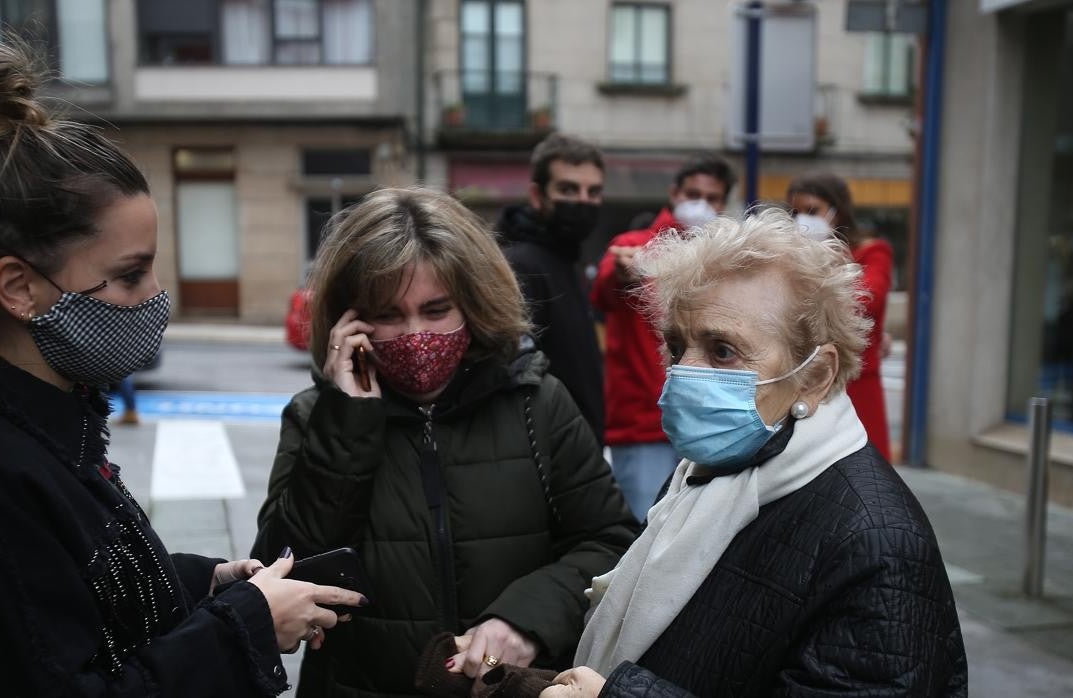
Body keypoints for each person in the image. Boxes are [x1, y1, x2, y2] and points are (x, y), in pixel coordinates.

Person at [0, 42, 363, 697]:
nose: (157, 295)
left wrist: (205, 585)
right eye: (130, 274)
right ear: (17, 287)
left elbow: (78, 600)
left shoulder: (35, 431)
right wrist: (243, 628)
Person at [545, 210, 967, 697]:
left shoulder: (876, 541)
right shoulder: (710, 469)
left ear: (813, 376)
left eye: (723, 351)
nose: (684, 373)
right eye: (677, 346)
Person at [252, 187, 638, 697]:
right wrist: (345, 424)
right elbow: (282, 570)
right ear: (349, 321)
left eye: (436, 310)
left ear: (472, 306)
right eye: (388, 314)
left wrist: (523, 620)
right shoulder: (314, 417)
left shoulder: (536, 402)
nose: (416, 334)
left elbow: (609, 542)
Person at [589, 155, 737, 521]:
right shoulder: (634, 245)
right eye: (692, 193)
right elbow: (607, 286)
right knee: (643, 530)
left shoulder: (726, 259)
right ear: (674, 193)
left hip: (709, 422)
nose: (701, 203)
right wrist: (628, 270)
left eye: (712, 197)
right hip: (644, 423)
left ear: (723, 204)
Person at [497, 133, 606, 442]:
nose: (583, 201)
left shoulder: (566, 261)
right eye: (568, 189)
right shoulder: (521, 265)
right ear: (537, 196)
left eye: (593, 191)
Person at [787, 173, 893, 460]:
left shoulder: (871, 252)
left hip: (856, 384)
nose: (802, 220)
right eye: (795, 212)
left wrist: (830, 261)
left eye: (812, 211)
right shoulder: (794, 257)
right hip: (807, 384)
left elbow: (866, 299)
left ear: (837, 210)